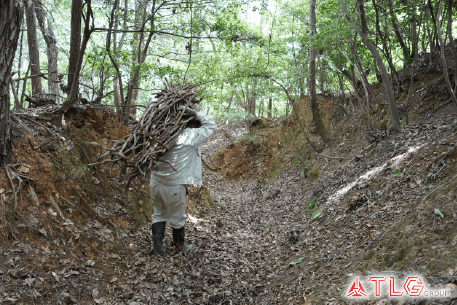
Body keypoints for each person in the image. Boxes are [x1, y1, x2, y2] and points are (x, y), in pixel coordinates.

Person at [150, 107, 216, 254]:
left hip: (155, 182)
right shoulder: (188, 136)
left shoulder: (158, 133)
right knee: (178, 218)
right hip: (174, 185)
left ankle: (157, 248)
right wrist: (197, 113)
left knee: (159, 213)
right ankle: (180, 247)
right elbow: (211, 124)